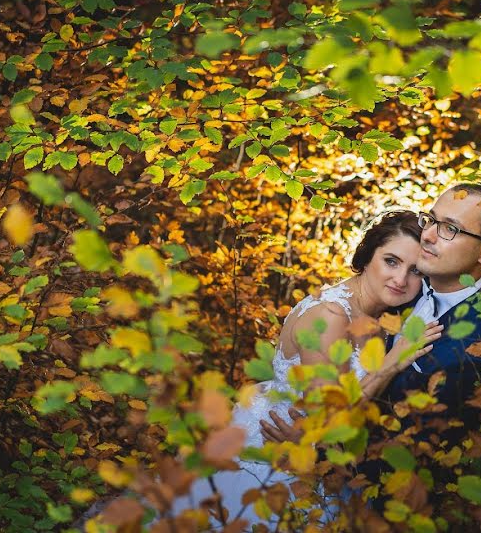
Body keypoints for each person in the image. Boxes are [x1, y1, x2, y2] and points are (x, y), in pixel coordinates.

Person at [155, 210, 444, 529]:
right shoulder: (332, 315)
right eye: (391, 261)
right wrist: (389, 365)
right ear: (367, 257)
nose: (401, 279)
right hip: (272, 453)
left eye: (415, 270)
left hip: (322, 456)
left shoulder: (389, 318)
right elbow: (329, 421)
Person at [262, 183, 481, 487]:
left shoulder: (476, 341)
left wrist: (314, 453)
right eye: (431, 220)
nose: (430, 235)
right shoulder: (352, 309)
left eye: (449, 228)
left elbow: (419, 456)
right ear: (368, 255)